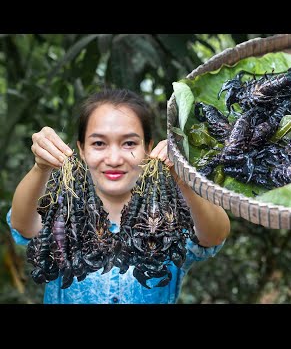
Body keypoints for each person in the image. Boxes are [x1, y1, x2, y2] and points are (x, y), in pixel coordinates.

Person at [6, 88, 230, 304]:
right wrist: (40, 168)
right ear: (81, 149)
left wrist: (182, 179)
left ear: (148, 148)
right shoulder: (62, 208)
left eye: (129, 143)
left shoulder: (170, 212)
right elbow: (23, 224)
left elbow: (214, 235)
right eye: (99, 143)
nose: (114, 158)